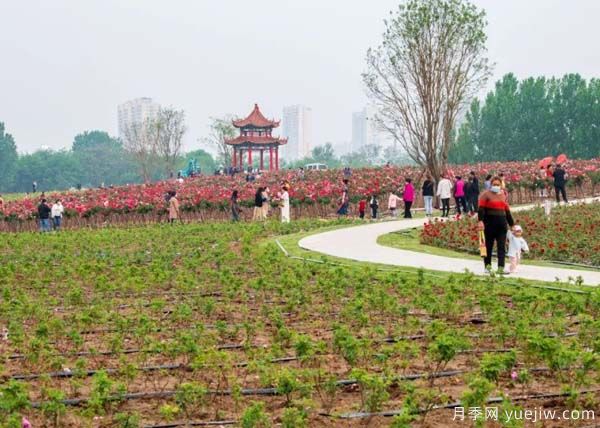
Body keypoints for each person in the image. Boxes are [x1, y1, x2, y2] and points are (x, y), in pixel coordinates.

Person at [478, 176, 515, 274]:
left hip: (502, 226)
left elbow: (507, 211)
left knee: (501, 247)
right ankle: (487, 267)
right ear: (491, 185)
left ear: (501, 185)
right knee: (488, 247)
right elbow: (481, 209)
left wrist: (512, 224)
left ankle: (501, 268)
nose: (496, 186)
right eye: (494, 184)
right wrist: (480, 221)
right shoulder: (485, 195)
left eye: (498, 185)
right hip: (489, 225)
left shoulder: (503, 195)